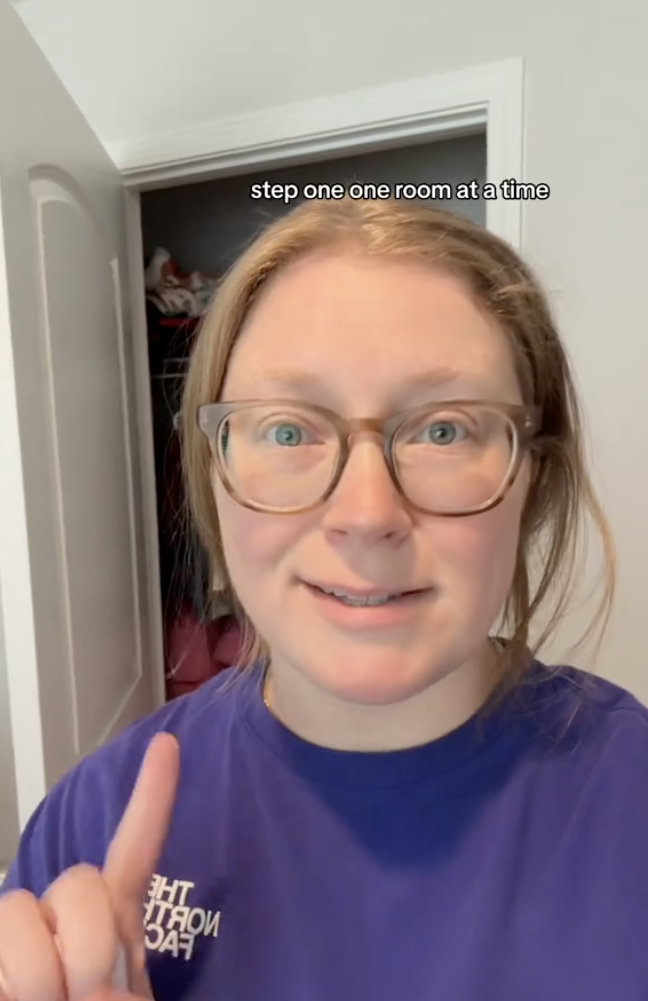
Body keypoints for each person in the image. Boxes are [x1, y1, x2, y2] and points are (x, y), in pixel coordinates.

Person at [0, 195, 645, 1001]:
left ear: (532, 478)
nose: (366, 515)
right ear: (215, 476)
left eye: (444, 429)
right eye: (285, 429)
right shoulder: (89, 826)